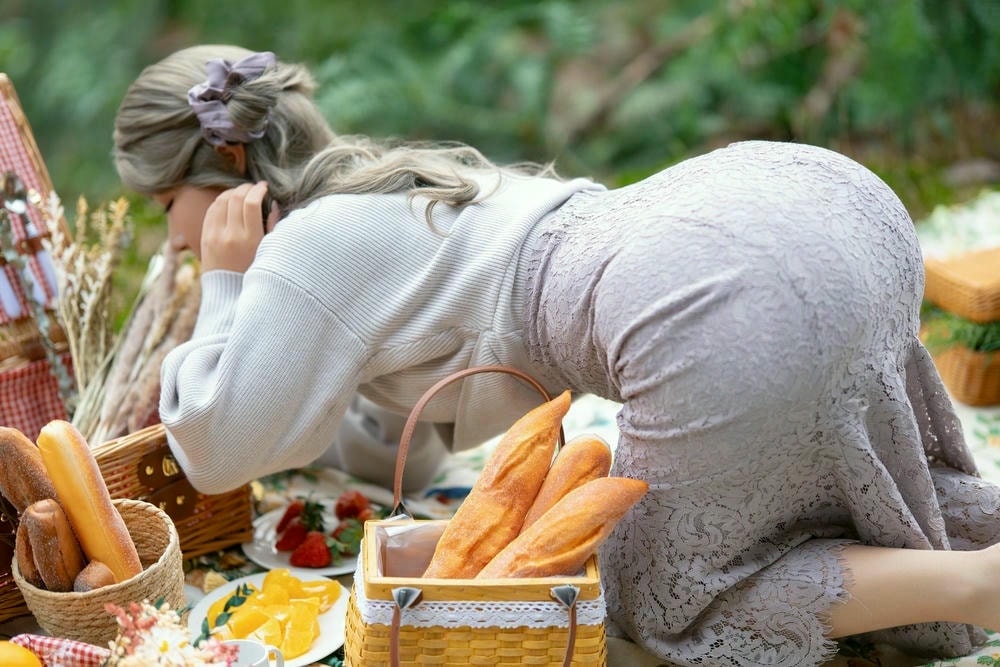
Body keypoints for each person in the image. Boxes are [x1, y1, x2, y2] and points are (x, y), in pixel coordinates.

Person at [112, 45, 1000, 666]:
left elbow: (215, 448)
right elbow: (400, 455)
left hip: (703, 299)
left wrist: (225, 284)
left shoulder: (303, 249)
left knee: (657, 601)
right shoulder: (400, 182)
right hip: (812, 202)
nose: (173, 237)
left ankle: (973, 585)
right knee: (848, 481)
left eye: (162, 206)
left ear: (224, 159)